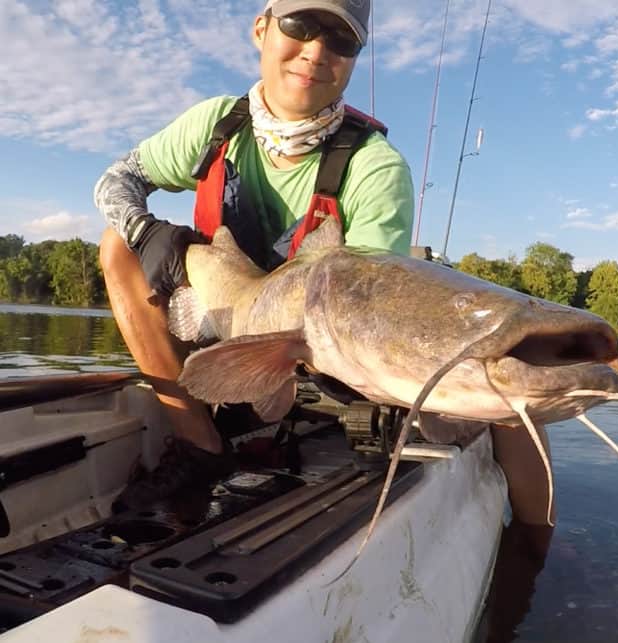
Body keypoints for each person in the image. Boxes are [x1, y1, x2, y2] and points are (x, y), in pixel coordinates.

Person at [95, 0, 556, 540]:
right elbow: (115, 181)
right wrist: (146, 232)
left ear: (354, 57)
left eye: (341, 39)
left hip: (323, 349)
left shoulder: (376, 165)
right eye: (301, 25)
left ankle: (537, 539)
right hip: (223, 316)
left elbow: (366, 305)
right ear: (262, 29)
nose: (316, 50)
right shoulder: (215, 124)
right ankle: (199, 444)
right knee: (116, 246)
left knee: (509, 396)